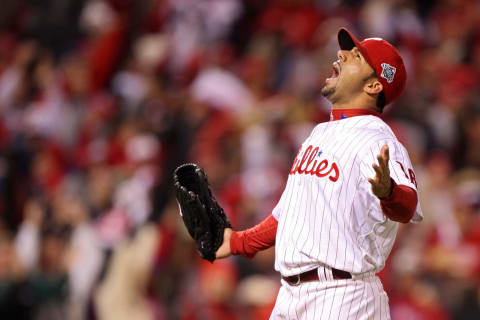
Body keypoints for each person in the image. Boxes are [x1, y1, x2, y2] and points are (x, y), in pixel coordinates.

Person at [215, 27, 423, 319]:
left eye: (355, 57)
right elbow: (288, 216)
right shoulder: (318, 134)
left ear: (374, 86)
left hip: (345, 296)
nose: (340, 55)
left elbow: (408, 205)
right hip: (290, 294)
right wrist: (235, 242)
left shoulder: (380, 139)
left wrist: (388, 192)